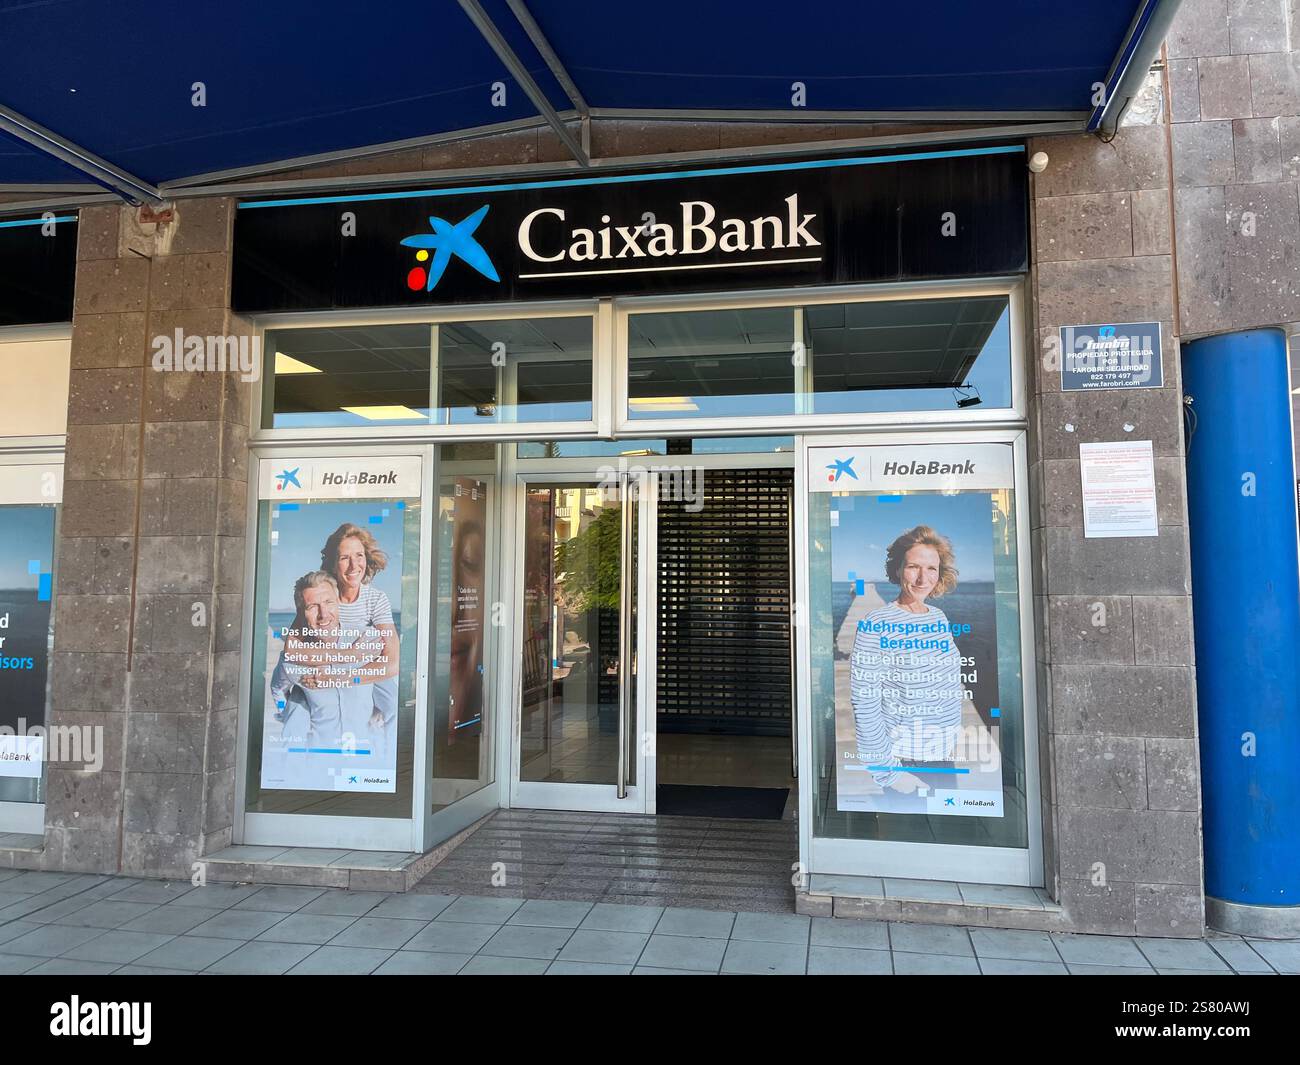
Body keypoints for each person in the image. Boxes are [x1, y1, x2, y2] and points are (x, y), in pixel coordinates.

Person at [849, 525, 966, 797]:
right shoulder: (876, 624)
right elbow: (865, 703)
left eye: (932, 569)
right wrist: (890, 774)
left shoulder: (937, 618)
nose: (923, 578)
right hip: (906, 763)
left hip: (942, 756)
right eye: (914, 566)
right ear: (898, 569)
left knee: (948, 835)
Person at [271, 571, 375, 748]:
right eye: (312, 607)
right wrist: (288, 712)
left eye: (329, 602)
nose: (323, 614)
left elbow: (389, 691)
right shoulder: (294, 662)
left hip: (366, 751)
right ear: (301, 614)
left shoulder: (366, 640)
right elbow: (277, 690)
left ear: (339, 603)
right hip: (321, 755)